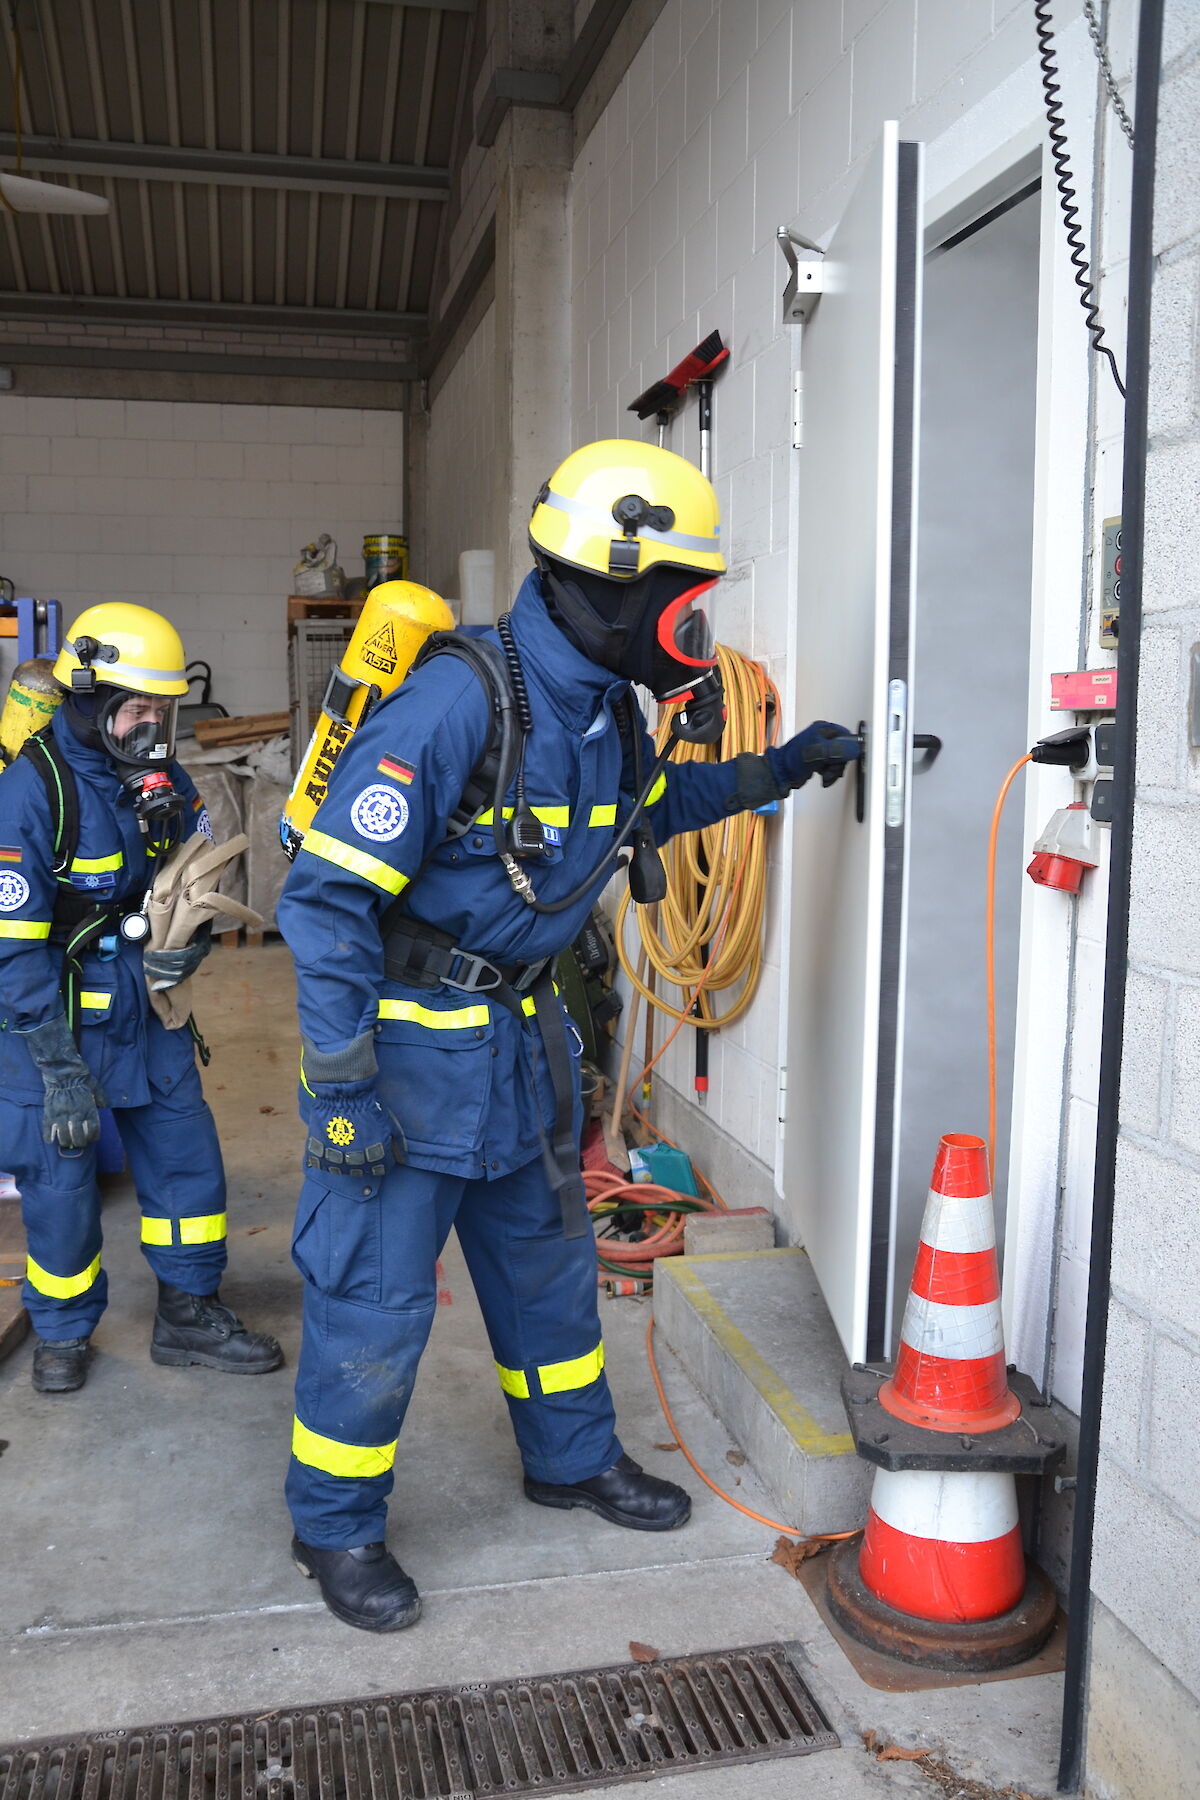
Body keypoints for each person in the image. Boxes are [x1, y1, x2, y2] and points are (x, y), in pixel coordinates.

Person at [277, 440, 859, 1632]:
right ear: (616, 582)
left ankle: (571, 1459)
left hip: (521, 1056)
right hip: (405, 1068)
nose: (696, 628)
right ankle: (333, 1526)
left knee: (548, 1282)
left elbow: (649, 809)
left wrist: (773, 772)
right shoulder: (460, 699)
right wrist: (339, 1086)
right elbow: (324, 900)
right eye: (685, 599)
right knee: (375, 1303)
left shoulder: (605, 715)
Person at [0, 602, 283, 1393]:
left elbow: (200, 867)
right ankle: (61, 1332)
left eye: (163, 709)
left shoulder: (161, 776)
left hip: (147, 1007)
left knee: (187, 1160)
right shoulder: (30, 794)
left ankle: (189, 1312)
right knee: (60, 1186)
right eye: (136, 707)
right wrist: (56, 1065)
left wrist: (187, 943)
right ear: (86, 699)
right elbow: (10, 952)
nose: (151, 726)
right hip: (52, 1013)